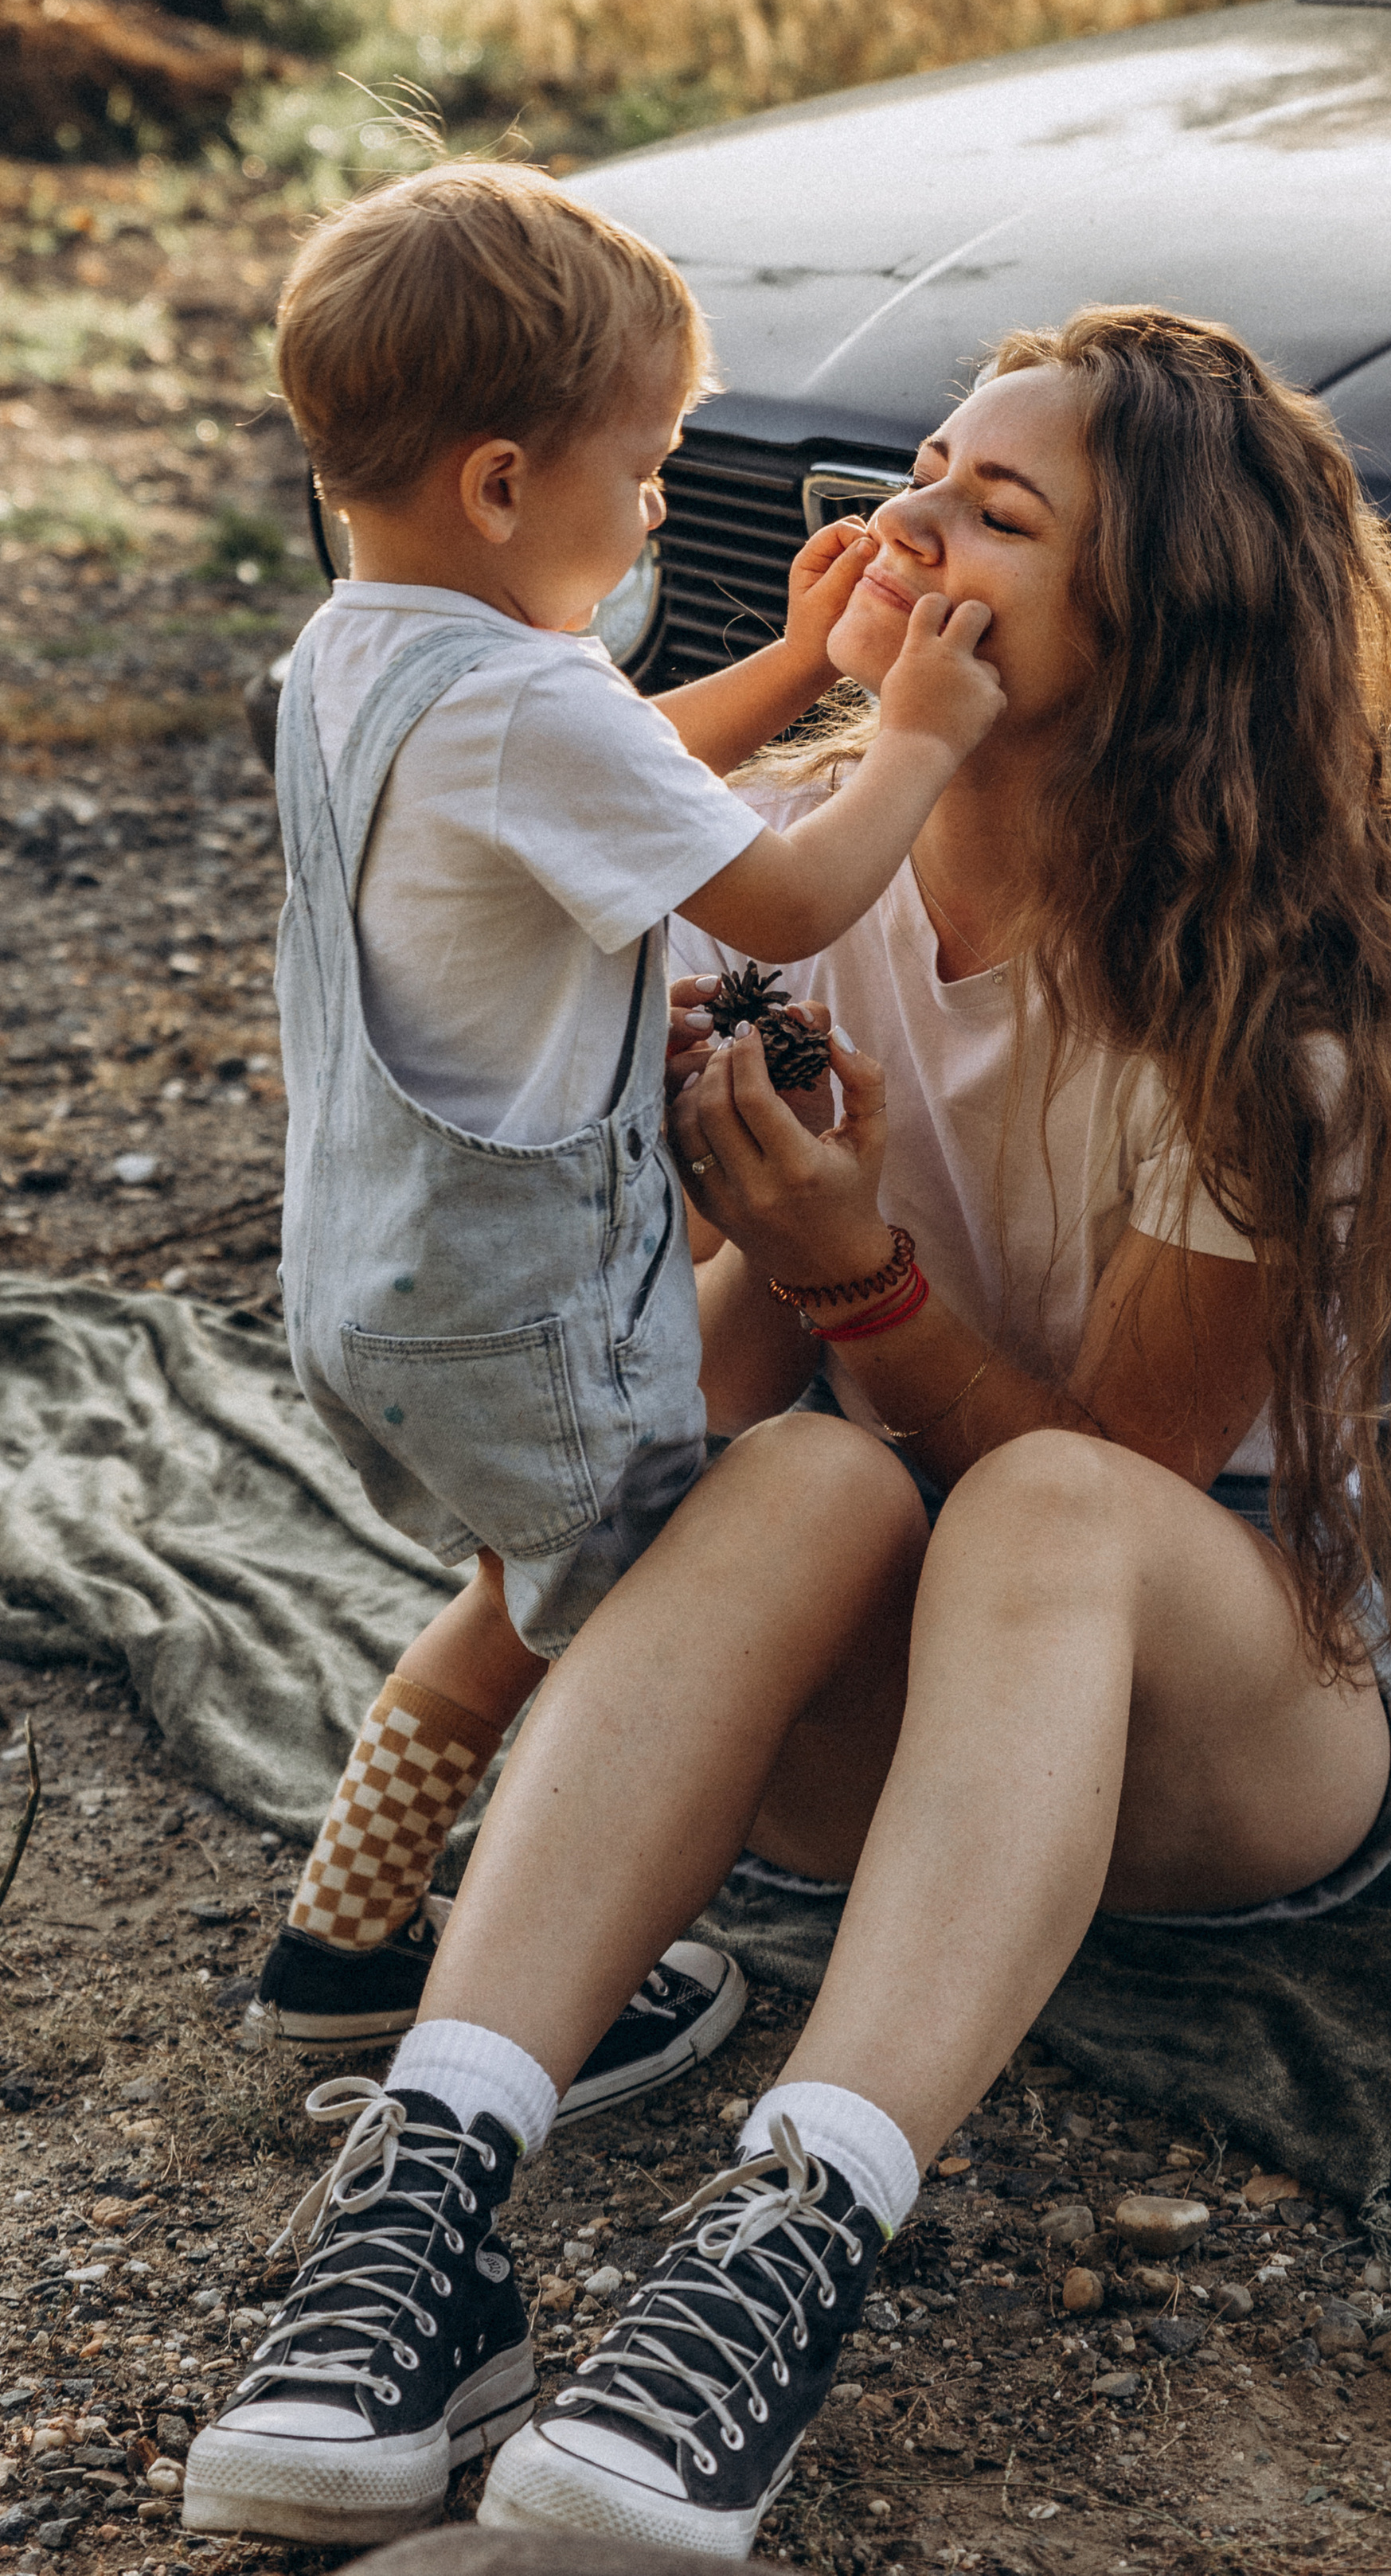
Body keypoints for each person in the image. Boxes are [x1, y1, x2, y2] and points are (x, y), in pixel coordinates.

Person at [184, 306, 1391, 2558]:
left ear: (1158, 614)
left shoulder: (1274, 1007)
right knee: (783, 1468)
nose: (906, 523)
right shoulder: (793, 877)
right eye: (916, 469)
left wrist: (856, 1274)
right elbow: (703, 1388)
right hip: (885, 1759)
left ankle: (787, 2237)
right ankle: (428, 2187)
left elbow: (1115, 1475)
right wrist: (499, 1628)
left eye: (998, 511)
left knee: (1047, 1499)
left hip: (1216, 1733)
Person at [248, 160, 1003, 2128]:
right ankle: (554, 1988)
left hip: (372, 1280)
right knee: (641, 1638)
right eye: (647, 463)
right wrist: (909, 738)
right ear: (503, 483)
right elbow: (780, 902)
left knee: (523, 1585)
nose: (658, 499)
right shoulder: (515, 700)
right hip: (519, 1302)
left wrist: (796, 677)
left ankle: (342, 1940)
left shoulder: (365, 653)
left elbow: (611, 778)